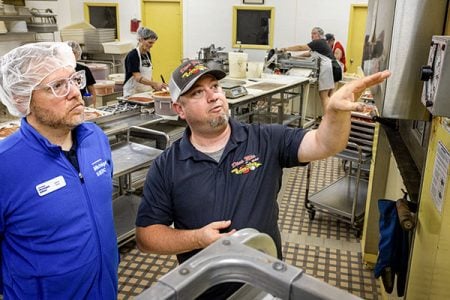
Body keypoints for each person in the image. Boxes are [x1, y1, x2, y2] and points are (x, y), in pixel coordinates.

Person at [135, 59, 390, 299]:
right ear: (179, 109)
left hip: (265, 283)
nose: (213, 96)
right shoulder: (167, 166)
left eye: (215, 86)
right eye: (198, 93)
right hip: (205, 289)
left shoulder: (265, 139)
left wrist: (334, 114)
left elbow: (324, 143)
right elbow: (147, 237)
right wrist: (197, 239)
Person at [0, 42, 119, 299]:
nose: (76, 92)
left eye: (74, 80)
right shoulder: (6, 166)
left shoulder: (95, 139)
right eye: (58, 86)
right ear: (22, 99)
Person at [280, 26, 336, 112]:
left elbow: (300, 47)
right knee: (329, 96)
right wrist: (294, 58)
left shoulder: (318, 42)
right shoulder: (322, 43)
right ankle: (331, 117)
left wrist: (286, 49)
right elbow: (308, 54)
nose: (312, 36)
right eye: (311, 34)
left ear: (320, 35)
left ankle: (327, 119)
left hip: (326, 70)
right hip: (330, 69)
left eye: (314, 33)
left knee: (324, 97)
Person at [123, 27, 168, 97]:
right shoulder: (133, 55)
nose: (151, 46)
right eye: (149, 42)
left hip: (145, 92)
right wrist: (155, 83)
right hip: (132, 93)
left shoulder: (147, 54)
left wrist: (155, 86)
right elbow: (137, 77)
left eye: (153, 43)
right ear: (141, 39)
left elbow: (148, 74)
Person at [66, 40, 97, 107]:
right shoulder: (60, 71)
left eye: (73, 53)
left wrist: (93, 107)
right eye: (69, 53)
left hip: (82, 103)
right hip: (66, 104)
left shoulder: (84, 69)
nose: (71, 55)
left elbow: (92, 90)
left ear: (77, 53)